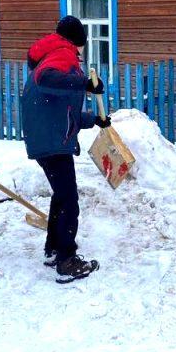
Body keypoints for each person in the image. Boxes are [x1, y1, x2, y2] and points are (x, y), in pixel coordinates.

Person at [21, 15, 109, 283]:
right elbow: (46, 80)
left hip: (48, 137)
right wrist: (84, 84)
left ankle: (53, 249)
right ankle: (67, 261)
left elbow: (64, 111)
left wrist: (94, 119)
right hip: (52, 142)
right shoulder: (63, 54)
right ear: (79, 42)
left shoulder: (53, 53)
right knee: (69, 200)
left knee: (61, 196)